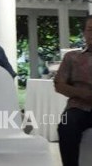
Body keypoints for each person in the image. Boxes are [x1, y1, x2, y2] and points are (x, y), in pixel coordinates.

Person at [55, 15, 92, 166]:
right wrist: (82, 94)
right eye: (90, 30)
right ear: (84, 33)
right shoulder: (72, 57)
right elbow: (59, 84)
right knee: (66, 124)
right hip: (78, 107)